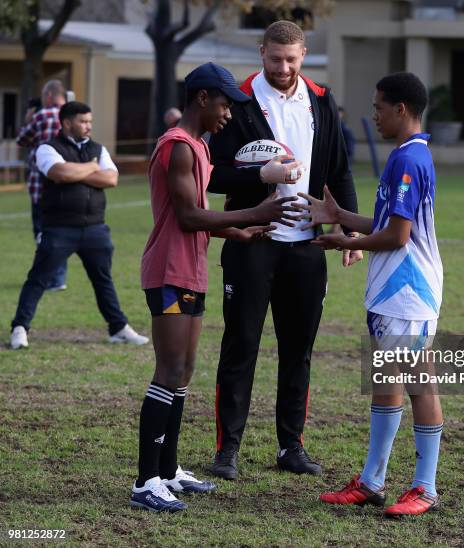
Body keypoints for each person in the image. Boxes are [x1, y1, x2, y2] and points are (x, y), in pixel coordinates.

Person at [131, 62, 300, 513]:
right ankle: (146, 481)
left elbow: (201, 218)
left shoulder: (201, 149)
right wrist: (251, 215)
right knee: (168, 372)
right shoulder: (179, 147)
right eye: (225, 104)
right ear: (203, 98)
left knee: (183, 371)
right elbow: (186, 218)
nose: (228, 114)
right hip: (168, 271)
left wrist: (237, 232)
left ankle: (168, 472)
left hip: (192, 270)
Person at [206, 20, 362, 481]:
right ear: (262, 52)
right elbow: (212, 175)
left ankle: (290, 446)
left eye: (291, 59)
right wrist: (261, 177)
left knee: (299, 350)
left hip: (306, 246)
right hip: (253, 241)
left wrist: (348, 229)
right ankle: (226, 450)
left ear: (304, 55)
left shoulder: (320, 98)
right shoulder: (237, 100)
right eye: (275, 59)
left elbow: (339, 169)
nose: (283, 68)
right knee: (241, 346)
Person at [296, 72, 444, 516]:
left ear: (401, 109)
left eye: (379, 106)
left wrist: (346, 242)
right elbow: (388, 224)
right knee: (392, 383)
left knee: (416, 383)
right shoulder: (407, 155)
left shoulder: (407, 161)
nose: (374, 114)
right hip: (399, 293)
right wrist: (340, 215)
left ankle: (423, 487)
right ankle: (374, 481)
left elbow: (397, 238)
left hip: (407, 291)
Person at [9, 101, 149, 350]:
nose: (88, 126)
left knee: (103, 280)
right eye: (83, 122)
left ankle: (118, 328)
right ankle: (20, 328)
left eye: (90, 122)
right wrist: (92, 167)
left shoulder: (98, 148)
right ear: (66, 123)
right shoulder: (46, 148)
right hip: (58, 228)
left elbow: (111, 178)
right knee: (38, 279)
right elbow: (59, 173)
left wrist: (78, 171)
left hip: (95, 228)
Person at [16, 79, 68, 291]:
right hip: (67, 185)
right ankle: (59, 278)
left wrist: (29, 119)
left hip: (41, 187)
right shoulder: (73, 117)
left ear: (48, 96)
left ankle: (48, 278)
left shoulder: (41, 116)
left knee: (43, 234)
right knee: (63, 231)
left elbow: (22, 140)